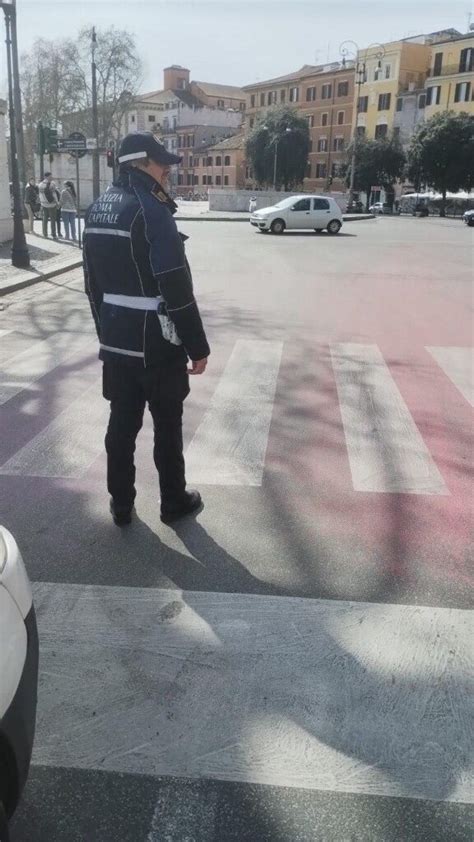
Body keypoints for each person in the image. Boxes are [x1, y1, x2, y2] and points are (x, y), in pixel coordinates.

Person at [83, 132, 210, 527]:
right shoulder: (151, 209)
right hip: (158, 342)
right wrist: (197, 345)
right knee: (167, 426)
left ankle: (121, 503)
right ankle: (173, 501)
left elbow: (92, 283)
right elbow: (174, 282)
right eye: (161, 163)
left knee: (121, 424)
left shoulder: (97, 208)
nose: (167, 169)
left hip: (117, 340)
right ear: (139, 163)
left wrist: (106, 331)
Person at [38, 172, 58, 238]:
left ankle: (45, 234)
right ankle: (53, 234)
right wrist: (56, 202)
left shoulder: (40, 184)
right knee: (53, 220)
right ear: (47, 177)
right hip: (52, 204)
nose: (51, 177)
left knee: (45, 219)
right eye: (50, 176)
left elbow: (40, 195)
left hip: (44, 204)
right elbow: (54, 194)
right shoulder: (52, 184)